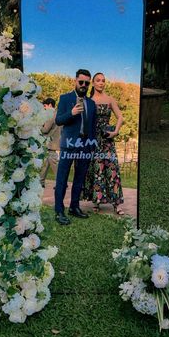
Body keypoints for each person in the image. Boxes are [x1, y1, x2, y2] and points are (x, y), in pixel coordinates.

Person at [54, 69, 97, 225]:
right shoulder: (65, 99)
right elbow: (58, 120)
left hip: (85, 147)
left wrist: (92, 147)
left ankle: (74, 207)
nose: (84, 85)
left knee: (79, 179)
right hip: (68, 146)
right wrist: (71, 113)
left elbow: (93, 126)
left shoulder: (91, 104)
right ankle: (59, 210)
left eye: (87, 83)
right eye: (81, 82)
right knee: (62, 179)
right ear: (75, 81)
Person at [82, 72, 124, 215]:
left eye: (103, 81)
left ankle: (117, 204)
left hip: (107, 138)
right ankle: (96, 202)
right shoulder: (88, 101)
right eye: (98, 80)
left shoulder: (110, 99)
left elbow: (120, 117)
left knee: (112, 169)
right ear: (93, 83)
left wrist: (115, 132)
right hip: (94, 139)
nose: (101, 83)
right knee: (96, 169)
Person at [40, 97, 61, 187]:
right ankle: (41, 182)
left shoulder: (51, 114)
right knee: (45, 164)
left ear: (50, 105)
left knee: (54, 166)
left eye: (45, 106)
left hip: (52, 144)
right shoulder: (59, 113)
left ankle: (60, 183)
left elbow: (45, 130)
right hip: (55, 143)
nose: (44, 108)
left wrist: (38, 127)